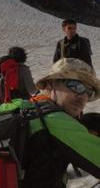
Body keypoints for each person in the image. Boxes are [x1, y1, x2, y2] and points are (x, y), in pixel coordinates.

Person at [22, 58, 100, 187]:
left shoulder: (32, 108)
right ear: (50, 85)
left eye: (88, 91)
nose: (82, 96)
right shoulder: (54, 120)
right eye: (76, 86)